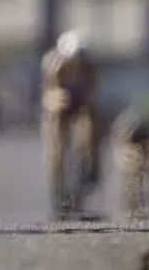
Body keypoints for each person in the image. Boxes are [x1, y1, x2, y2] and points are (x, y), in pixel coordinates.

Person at [41, 30, 102, 211]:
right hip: (60, 101)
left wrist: (90, 138)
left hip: (81, 101)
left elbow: (93, 95)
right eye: (73, 59)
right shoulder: (56, 66)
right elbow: (48, 96)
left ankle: (92, 164)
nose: (77, 63)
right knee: (56, 133)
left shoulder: (90, 67)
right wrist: (57, 101)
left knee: (94, 122)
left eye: (80, 59)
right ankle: (58, 172)